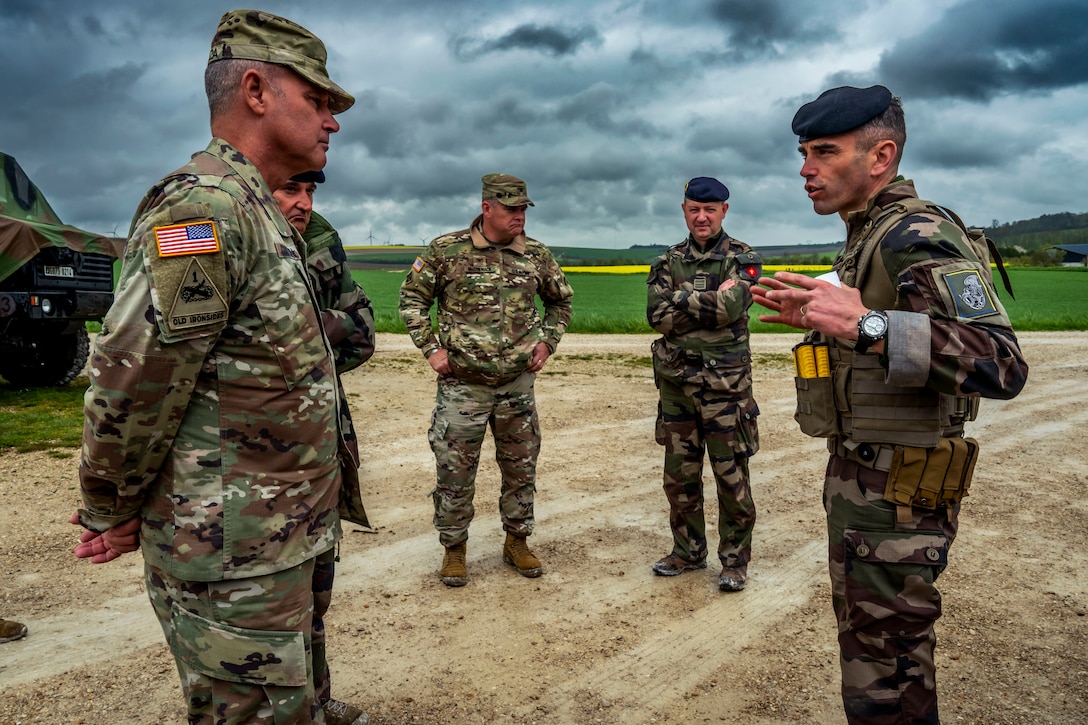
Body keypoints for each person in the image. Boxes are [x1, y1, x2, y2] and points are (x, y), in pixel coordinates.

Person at [71, 9, 366, 724]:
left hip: (281, 533)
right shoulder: (203, 210)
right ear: (257, 90)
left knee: (298, 690)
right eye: (320, 100)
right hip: (231, 548)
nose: (333, 121)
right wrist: (109, 506)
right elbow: (134, 380)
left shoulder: (260, 211)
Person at [752, 85, 1028, 723]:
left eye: (824, 151)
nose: (805, 169)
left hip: (899, 498)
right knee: (874, 655)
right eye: (802, 153)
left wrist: (867, 327)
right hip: (869, 486)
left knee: (889, 676)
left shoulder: (916, 232)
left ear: (881, 157)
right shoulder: (868, 234)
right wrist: (830, 320)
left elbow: (1000, 361)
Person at [398, 174, 573, 587]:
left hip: (516, 386)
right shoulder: (446, 251)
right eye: (511, 209)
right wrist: (431, 349)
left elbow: (560, 301)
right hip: (463, 386)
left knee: (520, 469)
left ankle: (517, 541)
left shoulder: (536, 255)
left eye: (523, 209)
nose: (519, 217)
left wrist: (547, 343)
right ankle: (454, 549)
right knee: (455, 471)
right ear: (487, 208)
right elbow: (412, 298)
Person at [274, 169, 374, 725]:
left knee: (316, 591)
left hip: (318, 448)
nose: (304, 204)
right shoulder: (220, 228)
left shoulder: (318, 238)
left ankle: (316, 700)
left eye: (310, 192)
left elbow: (363, 332)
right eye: (291, 191)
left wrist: (299, 344)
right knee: (261, 605)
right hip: (246, 469)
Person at [646, 177, 762, 592]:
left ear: (724, 211)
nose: (702, 217)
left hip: (725, 390)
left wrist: (679, 298)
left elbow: (730, 311)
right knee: (679, 477)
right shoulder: (667, 260)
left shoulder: (742, 257)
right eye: (694, 209)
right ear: (684, 210)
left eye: (710, 210)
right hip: (677, 386)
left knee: (731, 478)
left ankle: (734, 561)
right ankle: (687, 551)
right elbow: (657, 317)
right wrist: (706, 303)